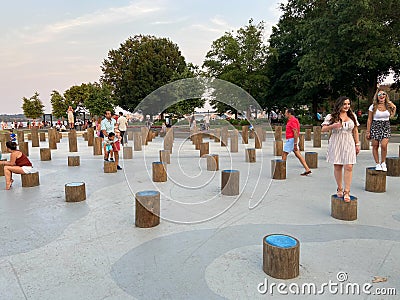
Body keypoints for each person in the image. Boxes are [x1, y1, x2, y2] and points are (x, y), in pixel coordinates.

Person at [321, 96, 360, 202]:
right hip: (336, 141)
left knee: (349, 166)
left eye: (348, 104)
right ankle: (340, 188)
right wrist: (333, 126)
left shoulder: (352, 116)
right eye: (344, 104)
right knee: (338, 165)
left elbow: (355, 130)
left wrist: (357, 144)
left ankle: (347, 191)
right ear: (339, 105)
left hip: (348, 141)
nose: (347, 106)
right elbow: (323, 129)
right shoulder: (331, 116)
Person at [366, 87, 396, 171]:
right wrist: (368, 131)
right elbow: (369, 119)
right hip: (375, 125)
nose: (382, 96)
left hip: (385, 126)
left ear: (386, 96)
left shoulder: (388, 106)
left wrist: (394, 107)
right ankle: (377, 163)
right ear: (377, 96)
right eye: (380, 94)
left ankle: (383, 162)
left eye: (383, 94)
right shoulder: (373, 106)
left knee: (384, 145)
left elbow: (392, 116)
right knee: (375, 145)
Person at [281, 108, 312, 176]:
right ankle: (307, 169)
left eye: (286, 113)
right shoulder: (292, 120)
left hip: (291, 140)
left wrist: (295, 143)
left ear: (289, 113)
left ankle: (281, 170)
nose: (285, 114)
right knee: (298, 155)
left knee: (284, 154)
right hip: (292, 140)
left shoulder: (292, 121)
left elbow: (295, 132)